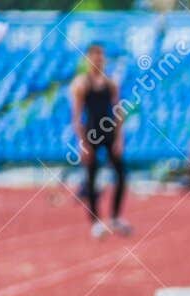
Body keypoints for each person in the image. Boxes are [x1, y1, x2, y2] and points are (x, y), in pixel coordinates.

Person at [69, 43, 130, 239]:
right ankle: (95, 222)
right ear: (87, 59)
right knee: (91, 177)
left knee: (121, 174)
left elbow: (118, 112)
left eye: (101, 55)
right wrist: (81, 142)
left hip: (109, 132)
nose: (98, 59)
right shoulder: (81, 83)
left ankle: (114, 217)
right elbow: (77, 116)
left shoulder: (111, 83)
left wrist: (119, 138)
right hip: (91, 133)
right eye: (94, 56)